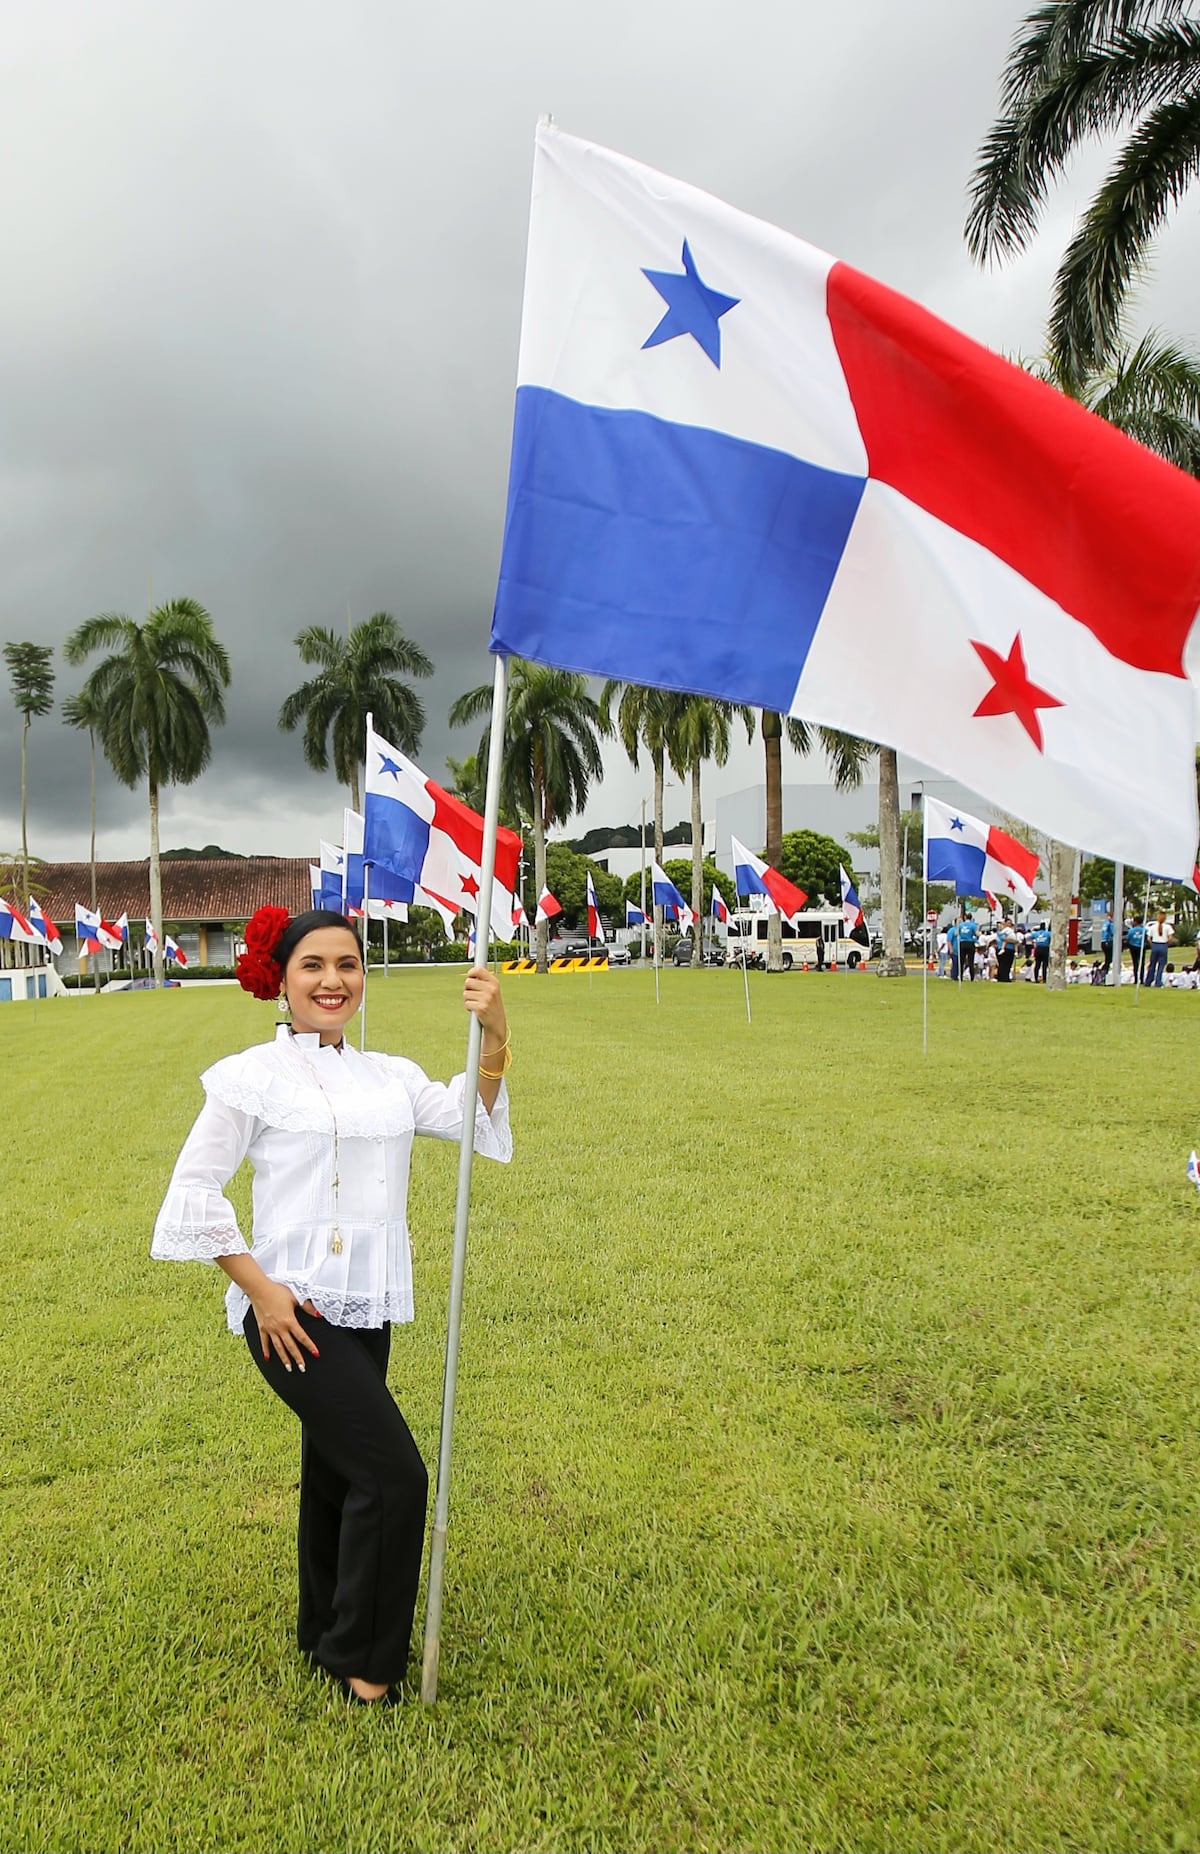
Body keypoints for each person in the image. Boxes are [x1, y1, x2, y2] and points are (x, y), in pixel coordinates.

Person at [151, 907, 513, 1706]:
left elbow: (468, 1118)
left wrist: (492, 1034)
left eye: (346, 964)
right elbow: (191, 1189)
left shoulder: (389, 1076)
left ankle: (323, 1630)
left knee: (339, 1472)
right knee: (395, 1476)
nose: (332, 980)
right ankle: (367, 1667)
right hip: (290, 1309)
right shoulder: (252, 1076)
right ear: (280, 978)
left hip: (366, 1305)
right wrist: (260, 1290)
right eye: (313, 965)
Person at [1145, 910, 1174, 988]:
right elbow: (1170, 937)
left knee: (1152, 964)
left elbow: (1148, 938)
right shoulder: (1168, 927)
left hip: (1155, 944)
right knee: (1161, 965)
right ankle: (1158, 981)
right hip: (1163, 945)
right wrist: (1167, 943)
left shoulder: (1152, 927)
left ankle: (1148, 981)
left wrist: (1152, 945)